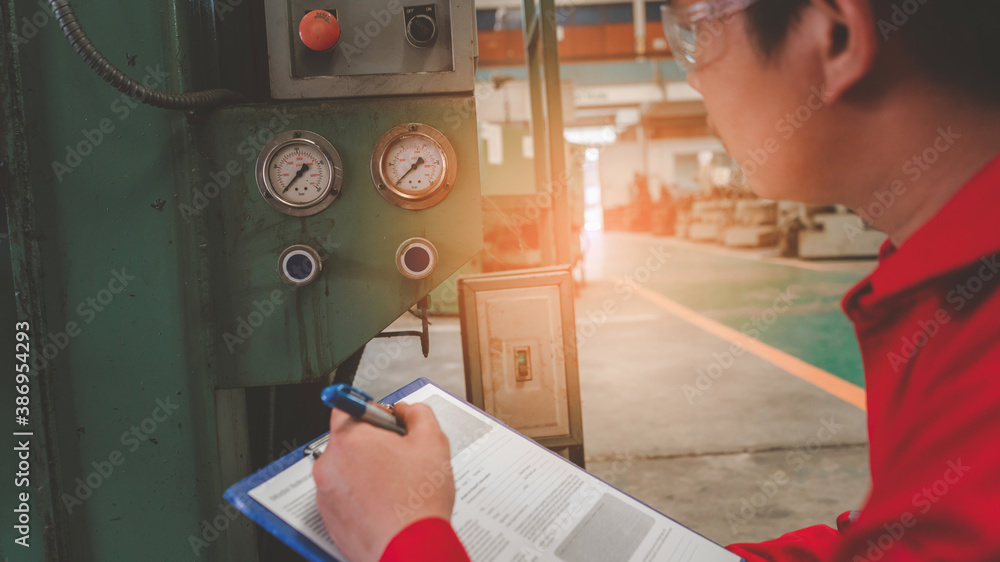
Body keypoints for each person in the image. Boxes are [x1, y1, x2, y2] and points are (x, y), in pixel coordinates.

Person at [313, 0, 1000, 560]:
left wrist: (404, 539)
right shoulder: (939, 286)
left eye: (697, 30)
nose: (694, 76)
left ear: (838, 35)